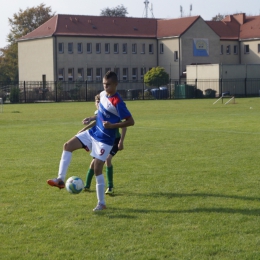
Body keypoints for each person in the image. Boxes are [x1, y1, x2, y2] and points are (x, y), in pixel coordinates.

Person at [47, 71, 134, 211]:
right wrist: (91, 118)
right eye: (104, 84)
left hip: (105, 140)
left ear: (116, 84)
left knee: (97, 168)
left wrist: (113, 126)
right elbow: (100, 110)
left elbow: (131, 122)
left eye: (108, 85)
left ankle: (102, 204)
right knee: (67, 146)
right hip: (93, 133)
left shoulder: (118, 102)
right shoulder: (103, 94)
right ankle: (60, 179)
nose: (105, 87)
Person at [80, 94, 127, 195]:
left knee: (108, 159)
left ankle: (110, 187)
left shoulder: (112, 112)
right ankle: (87, 186)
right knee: (93, 163)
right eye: (97, 102)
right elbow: (97, 120)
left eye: (100, 102)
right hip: (102, 141)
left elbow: (124, 126)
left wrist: (121, 141)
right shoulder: (99, 113)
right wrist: (84, 129)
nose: (98, 104)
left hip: (114, 140)